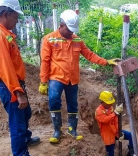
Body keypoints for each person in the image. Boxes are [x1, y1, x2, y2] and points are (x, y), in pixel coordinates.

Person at [39, 9, 119, 144]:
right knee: (53, 99)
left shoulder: (77, 40)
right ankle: (57, 130)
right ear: (61, 24)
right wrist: (43, 81)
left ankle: (72, 129)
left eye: (72, 30)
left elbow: (90, 55)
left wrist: (106, 62)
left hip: (72, 78)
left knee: (73, 104)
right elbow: (45, 61)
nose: (71, 32)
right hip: (56, 77)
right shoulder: (50, 39)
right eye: (69, 30)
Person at [0, 0, 41, 156]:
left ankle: (26, 138)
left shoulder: (4, 32)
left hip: (14, 83)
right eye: (16, 16)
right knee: (17, 122)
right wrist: (18, 93)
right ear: (5, 13)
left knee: (26, 114)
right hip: (9, 85)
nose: (17, 20)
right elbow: (5, 68)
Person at [95, 91, 138, 156]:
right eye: (108, 103)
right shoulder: (98, 111)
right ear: (102, 102)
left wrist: (119, 133)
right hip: (108, 135)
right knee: (110, 155)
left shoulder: (110, 108)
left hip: (115, 131)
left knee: (130, 136)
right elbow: (105, 120)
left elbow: (115, 121)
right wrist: (115, 113)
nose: (110, 104)